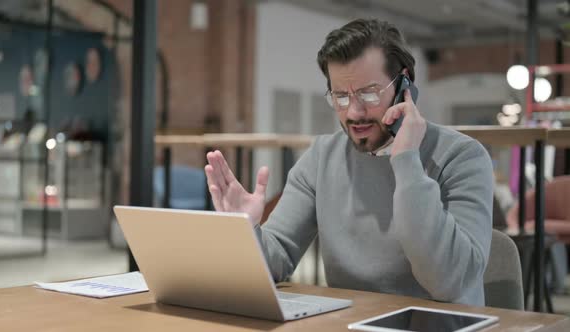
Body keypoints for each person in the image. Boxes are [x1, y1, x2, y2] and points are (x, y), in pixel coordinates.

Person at [205, 18, 493, 306]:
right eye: (341, 96)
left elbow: (451, 283)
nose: (354, 112)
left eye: (369, 93)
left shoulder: (463, 157)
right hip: (353, 323)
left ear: (404, 83)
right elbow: (276, 259)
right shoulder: (321, 158)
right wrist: (247, 230)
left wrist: (406, 160)